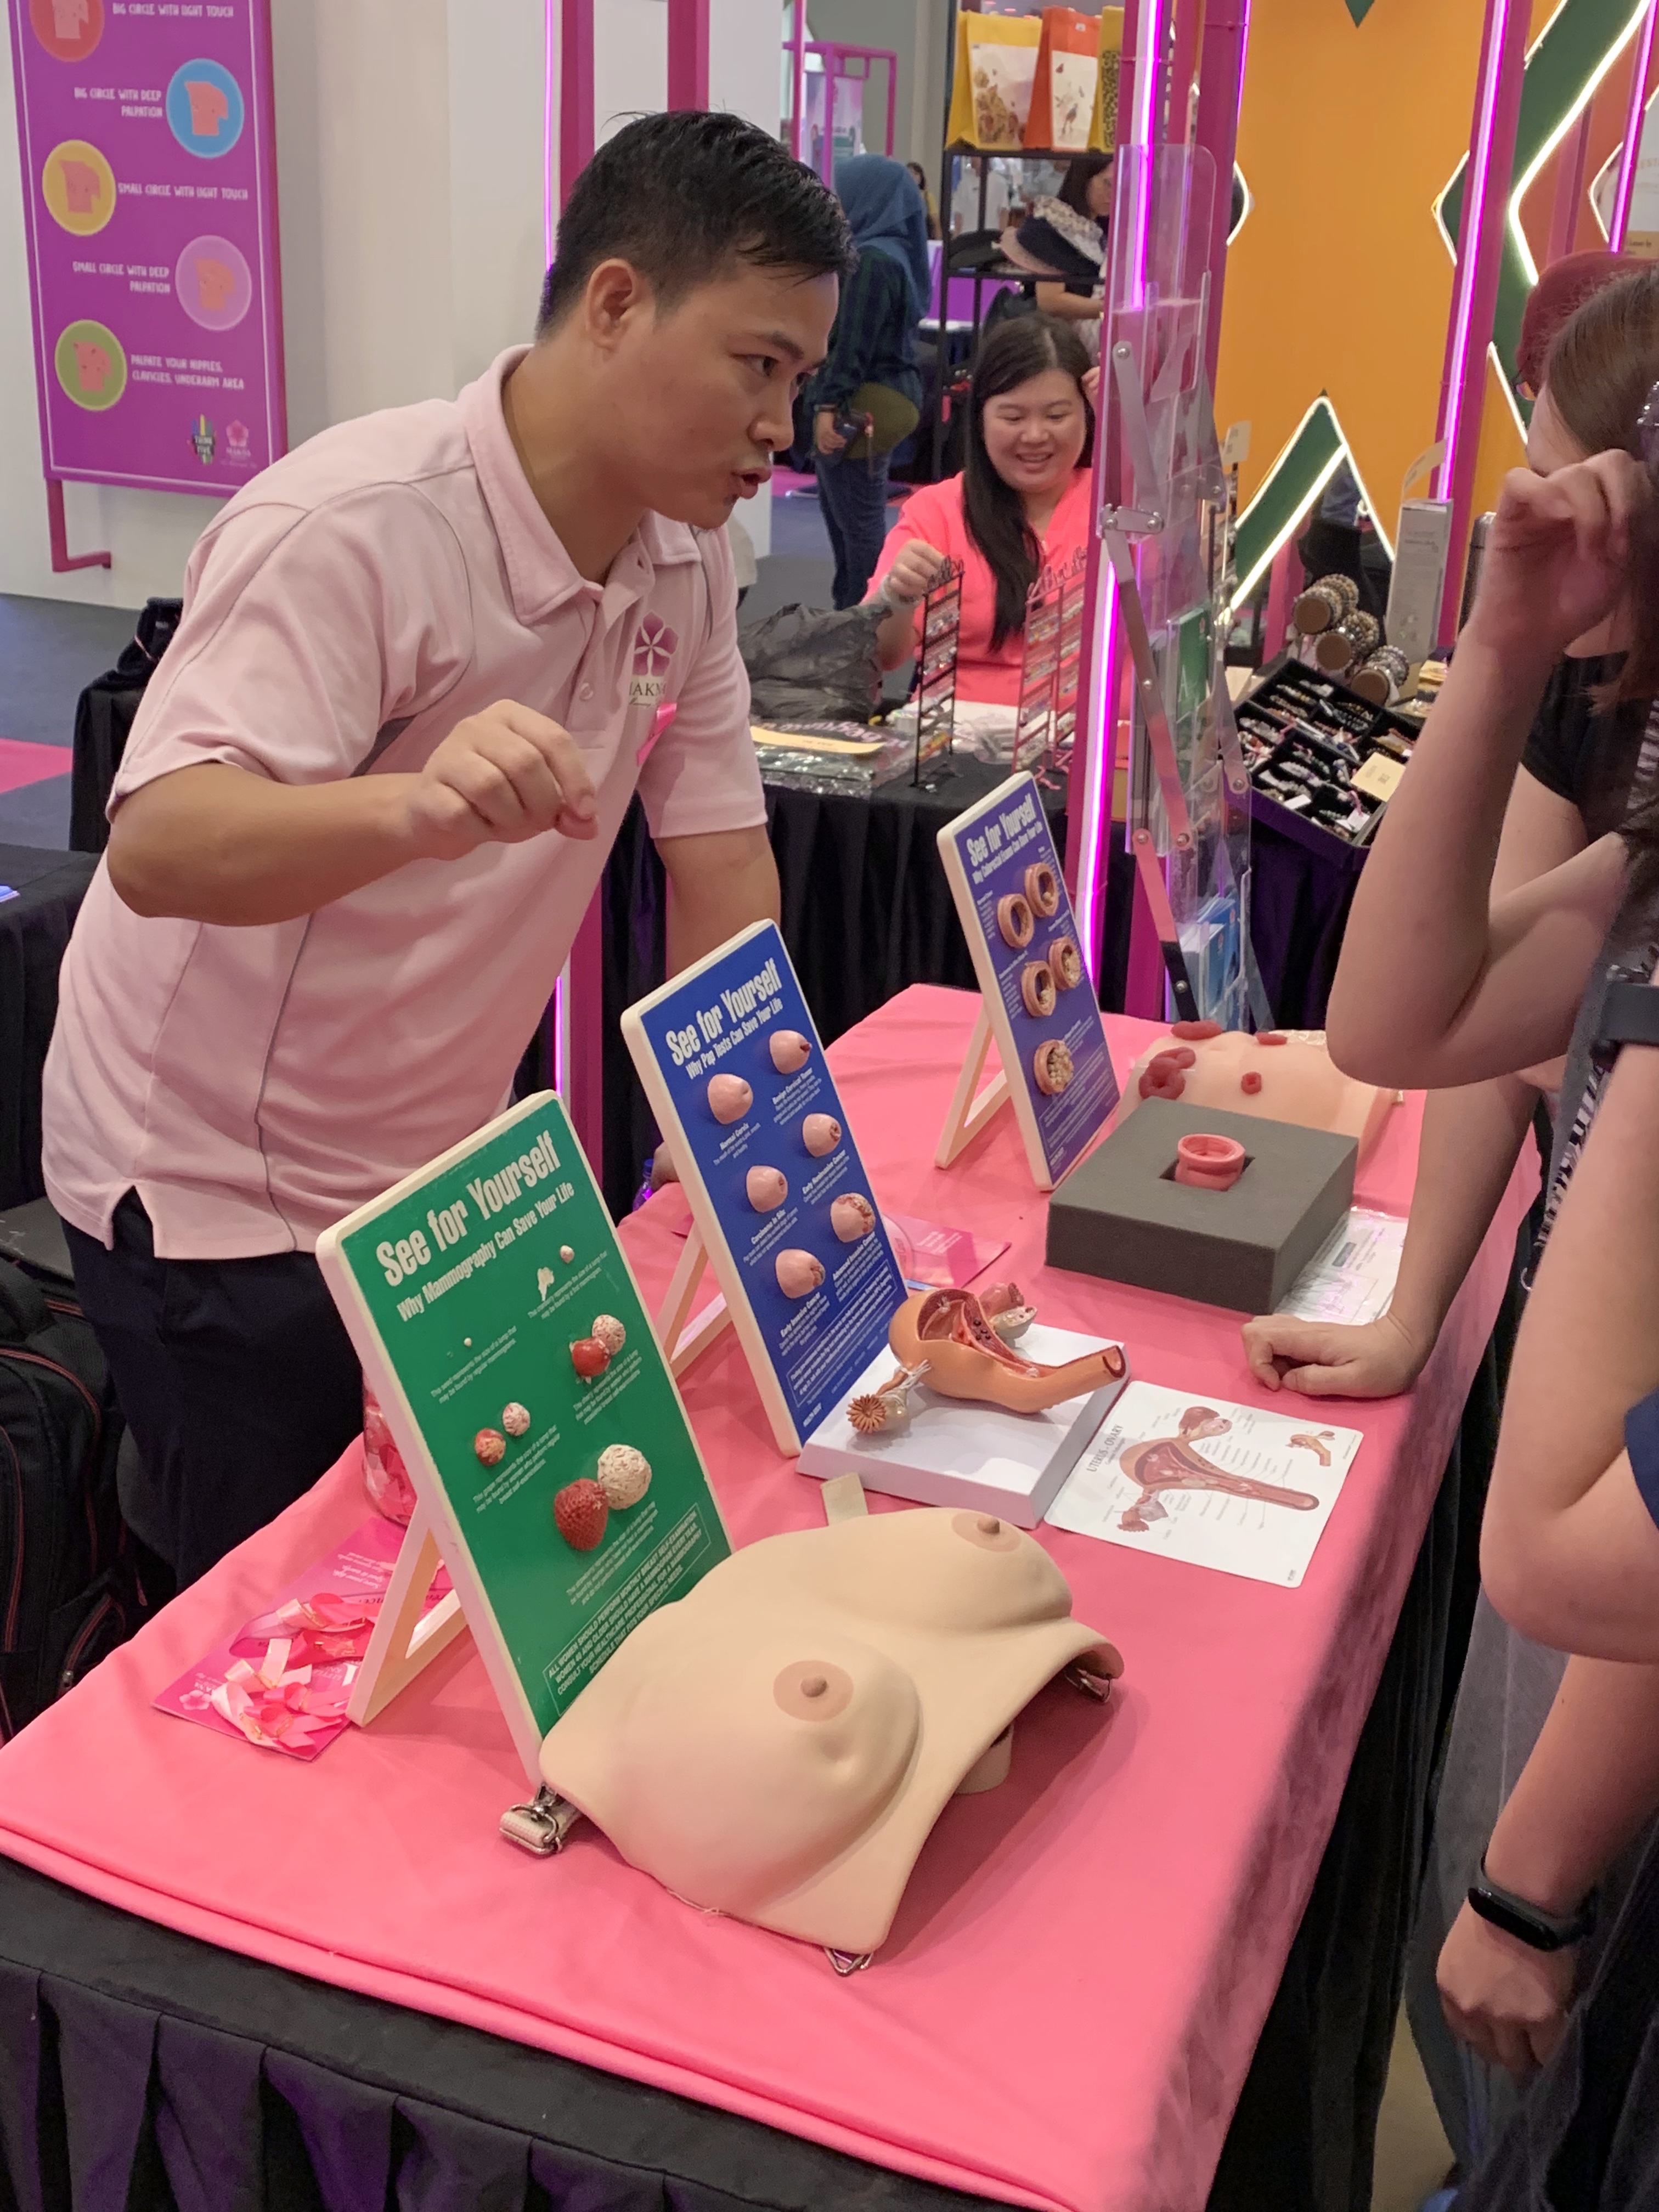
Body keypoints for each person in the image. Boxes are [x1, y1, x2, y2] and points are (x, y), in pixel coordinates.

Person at [43, 111, 854, 1588]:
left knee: (457, 1579)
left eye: (800, 380)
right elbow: (158, 842)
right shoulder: (358, 526)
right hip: (217, 1194)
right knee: (262, 1609)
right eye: (756, 365)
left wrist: (736, 1155)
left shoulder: (687, 557)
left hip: (439, 1177)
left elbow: (722, 859)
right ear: (616, 303)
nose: (782, 427)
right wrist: (411, 809)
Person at [1321, 319, 1659, 2160]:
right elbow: (1398, 1017)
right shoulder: (1633, 865)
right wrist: (1508, 645)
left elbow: (1562, 1545)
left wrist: (1530, 1876)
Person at [864, 312, 1096, 704]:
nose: (1035, 435)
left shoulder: (1120, 505)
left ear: (1087, 415)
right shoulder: (938, 512)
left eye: (1057, 416)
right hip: (957, 735)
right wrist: (896, 596)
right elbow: (880, 654)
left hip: (1098, 737)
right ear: (981, 419)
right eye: (1013, 417)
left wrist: (1130, 429)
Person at [810, 154, 929, 609]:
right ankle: (856, 615)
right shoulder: (895, 253)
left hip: (864, 401)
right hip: (887, 396)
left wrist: (827, 407)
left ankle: (862, 621)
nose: (836, 205)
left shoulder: (872, 262)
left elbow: (851, 345)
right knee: (856, 517)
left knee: (856, 526)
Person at [1001, 153, 1113, 330]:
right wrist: (1109, 309)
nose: (1113, 194)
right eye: (1109, 184)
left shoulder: (1102, 229)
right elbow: (1050, 301)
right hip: (1051, 336)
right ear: (1084, 179)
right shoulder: (1054, 225)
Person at [905, 160, 941, 242]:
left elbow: (936, 222)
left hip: (922, 239)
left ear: (921, 178)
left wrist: (938, 244)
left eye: (916, 174)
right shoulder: (900, 196)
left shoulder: (927, 197)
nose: (913, 176)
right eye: (910, 173)